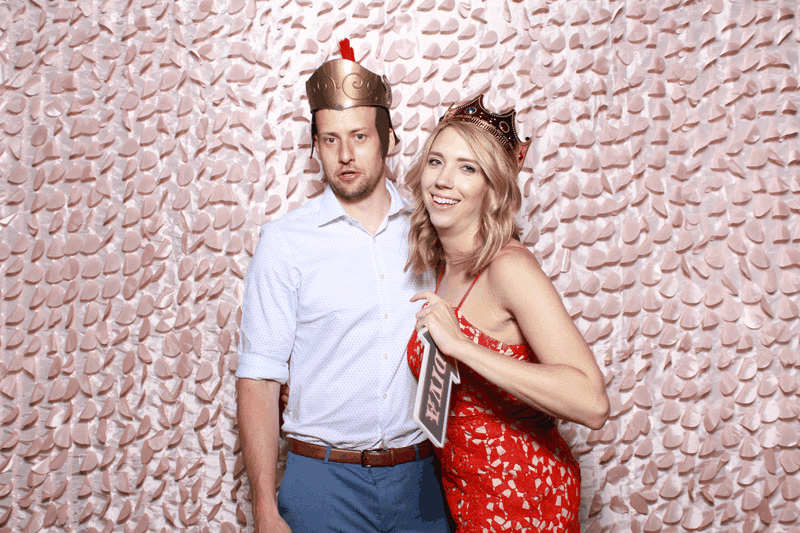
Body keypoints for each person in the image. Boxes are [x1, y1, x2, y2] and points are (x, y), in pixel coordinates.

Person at [235, 40, 451, 533]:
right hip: (322, 482)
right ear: (315, 146)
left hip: (419, 479)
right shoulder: (285, 242)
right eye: (330, 140)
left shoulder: (431, 229)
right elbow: (259, 379)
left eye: (359, 136)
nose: (346, 155)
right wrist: (264, 508)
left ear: (388, 139)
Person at [405, 95, 610, 532]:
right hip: (467, 495)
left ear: (493, 187)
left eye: (467, 168)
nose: (443, 180)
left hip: (525, 499)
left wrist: (463, 347)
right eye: (436, 161)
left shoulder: (508, 268)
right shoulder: (442, 266)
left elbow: (592, 402)